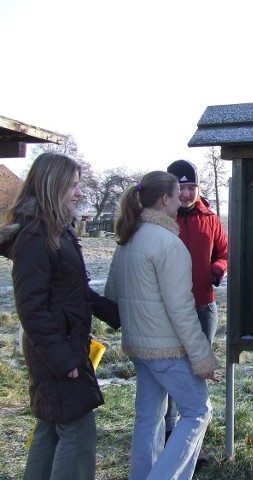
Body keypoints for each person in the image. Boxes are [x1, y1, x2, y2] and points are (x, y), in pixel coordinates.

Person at [0, 152, 119, 480]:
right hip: (57, 352)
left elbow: (76, 291)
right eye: (73, 186)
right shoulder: (35, 238)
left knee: (51, 428)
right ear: (52, 187)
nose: (79, 193)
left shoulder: (55, 232)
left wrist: (119, 315)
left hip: (62, 348)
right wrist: (65, 360)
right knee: (79, 431)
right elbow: (31, 309)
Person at [105, 171, 219, 480]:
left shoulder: (127, 239)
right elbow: (182, 309)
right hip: (166, 348)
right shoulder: (169, 244)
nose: (182, 199)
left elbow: (112, 295)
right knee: (198, 412)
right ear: (165, 199)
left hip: (138, 347)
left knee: (148, 418)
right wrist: (202, 357)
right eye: (176, 194)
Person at [165, 159, 228, 457]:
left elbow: (223, 252)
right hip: (168, 310)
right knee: (172, 370)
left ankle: (192, 435)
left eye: (191, 187)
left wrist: (216, 269)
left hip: (204, 307)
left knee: (197, 368)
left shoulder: (211, 218)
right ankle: (169, 429)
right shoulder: (161, 218)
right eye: (181, 188)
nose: (187, 194)